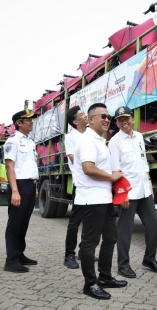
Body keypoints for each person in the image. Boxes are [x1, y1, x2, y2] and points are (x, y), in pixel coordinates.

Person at [74, 102, 126, 300]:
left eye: (108, 117)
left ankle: (105, 277)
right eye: (102, 116)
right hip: (91, 199)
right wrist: (112, 176)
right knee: (90, 243)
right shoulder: (88, 140)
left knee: (111, 237)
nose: (107, 119)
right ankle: (90, 283)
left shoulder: (98, 140)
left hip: (103, 198)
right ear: (91, 119)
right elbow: (88, 168)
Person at [108, 106, 157, 279]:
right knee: (125, 229)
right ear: (117, 123)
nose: (124, 122)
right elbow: (115, 170)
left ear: (132, 119)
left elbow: (143, 162)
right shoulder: (115, 141)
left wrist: (149, 183)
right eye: (120, 120)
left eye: (126, 118)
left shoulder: (140, 136)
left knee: (153, 224)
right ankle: (123, 265)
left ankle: (149, 258)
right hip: (128, 192)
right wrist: (122, 193)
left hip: (143, 189)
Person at [3, 109, 39, 273]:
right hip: (19, 185)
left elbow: (31, 166)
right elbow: (10, 166)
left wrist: (35, 186)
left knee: (24, 223)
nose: (31, 122)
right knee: (15, 223)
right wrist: (15, 191)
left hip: (30, 185)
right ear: (19, 123)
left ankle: (19, 254)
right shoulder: (13, 141)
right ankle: (11, 260)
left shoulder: (30, 142)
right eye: (28, 120)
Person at [62, 105, 88, 269]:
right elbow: (73, 159)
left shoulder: (92, 135)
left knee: (90, 222)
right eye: (82, 114)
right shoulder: (71, 137)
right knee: (75, 222)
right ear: (75, 121)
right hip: (81, 184)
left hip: (95, 185)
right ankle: (69, 254)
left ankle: (85, 252)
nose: (85, 115)